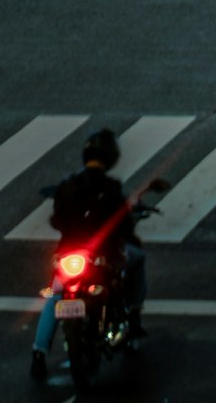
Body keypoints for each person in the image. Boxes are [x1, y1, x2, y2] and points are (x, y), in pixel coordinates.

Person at [38, 130, 160, 350]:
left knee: (55, 293)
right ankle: (133, 313)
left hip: (67, 253)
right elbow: (123, 224)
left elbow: (57, 220)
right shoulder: (110, 187)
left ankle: (39, 351)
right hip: (104, 253)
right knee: (137, 258)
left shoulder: (68, 185)